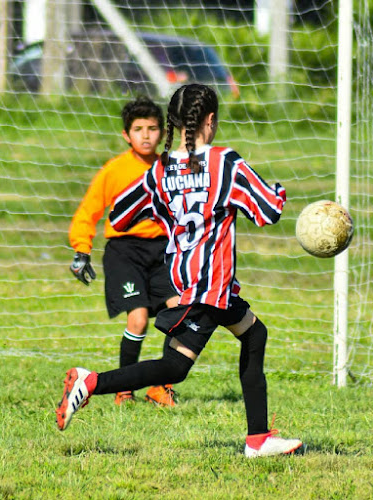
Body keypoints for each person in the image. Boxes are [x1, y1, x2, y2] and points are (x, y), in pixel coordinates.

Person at [57, 84, 302, 458]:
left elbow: (120, 215)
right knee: (174, 367)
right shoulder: (225, 163)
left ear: (170, 124)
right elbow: (268, 211)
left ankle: (259, 439)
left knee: (254, 335)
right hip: (206, 285)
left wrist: (168, 208)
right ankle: (90, 382)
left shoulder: (161, 170)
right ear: (211, 120)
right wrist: (280, 190)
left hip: (195, 280)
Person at [68, 96, 179, 406]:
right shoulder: (114, 170)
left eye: (153, 128)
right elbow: (89, 210)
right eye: (138, 129)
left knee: (181, 311)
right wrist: (81, 249)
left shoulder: (169, 169)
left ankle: (160, 387)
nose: (146, 135)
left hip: (162, 251)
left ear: (163, 133)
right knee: (139, 319)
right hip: (124, 252)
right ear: (126, 135)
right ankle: (124, 389)